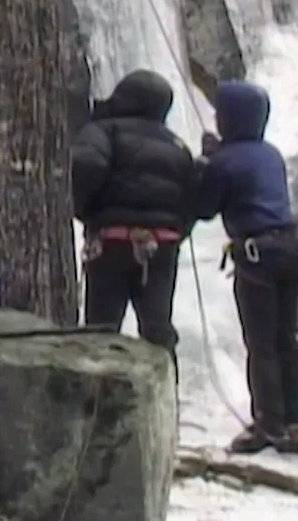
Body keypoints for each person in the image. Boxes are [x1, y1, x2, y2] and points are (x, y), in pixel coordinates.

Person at [194, 80, 298, 453]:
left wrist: (207, 164)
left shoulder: (225, 161)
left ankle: (269, 424)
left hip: (257, 255)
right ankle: (295, 418)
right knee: (285, 339)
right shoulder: (271, 154)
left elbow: (205, 207)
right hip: (291, 249)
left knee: (261, 344)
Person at [71, 69, 198, 376]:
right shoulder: (177, 144)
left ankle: (97, 407)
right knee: (157, 331)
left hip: (111, 241)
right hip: (161, 247)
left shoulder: (103, 131)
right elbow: (194, 194)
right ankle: (166, 408)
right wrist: (178, 231)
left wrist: (83, 210)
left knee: (101, 330)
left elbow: (87, 163)